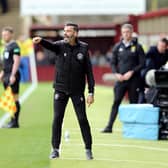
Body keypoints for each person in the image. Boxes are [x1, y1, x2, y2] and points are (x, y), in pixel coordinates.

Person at [32, 23, 95, 160]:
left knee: (82, 119)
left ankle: (88, 149)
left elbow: (89, 72)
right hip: (60, 89)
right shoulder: (60, 45)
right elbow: (51, 46)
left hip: (77, 91)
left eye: (69, 31)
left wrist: (91, 92)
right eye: (65, 31)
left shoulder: (83, 48)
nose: (65, 33)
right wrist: (41, 41)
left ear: (76, 33)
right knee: (57, 119)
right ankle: (55, 149)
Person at [102, 23, 145, 133]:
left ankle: (134, 128)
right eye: (124, 32)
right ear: (122, 33)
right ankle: (109, 126)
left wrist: (132, 72)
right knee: (116, 102)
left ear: (131, 33)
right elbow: (112, 63)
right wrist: (116, 74)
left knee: (133, 103)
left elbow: (142, 64)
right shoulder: (117, 47)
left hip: (134, 80)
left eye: (128, 32)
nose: (126, 34)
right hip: (120, 80)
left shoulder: (138, 47)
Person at [0, 26, 21, 128]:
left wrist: (13, 75)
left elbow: (16, 61)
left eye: (6, 34)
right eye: (3, 35)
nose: (4, 36)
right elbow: (6, 63)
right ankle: (11, 120)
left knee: (14, 98)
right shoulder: (6, 46)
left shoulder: (15, 46)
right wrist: (2, 73)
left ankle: (15, 122)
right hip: (6, 75)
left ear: (11, 34)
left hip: (12, 75)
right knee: (10, 99)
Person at [138, 38, 168, 103]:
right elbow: (145, 62)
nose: (160, 48)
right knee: (142, 96)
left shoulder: (166, 53)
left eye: (163, 47)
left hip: (159, 75)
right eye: (159, 46)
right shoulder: (152, 50)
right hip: (147, 74)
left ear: (166, 47)